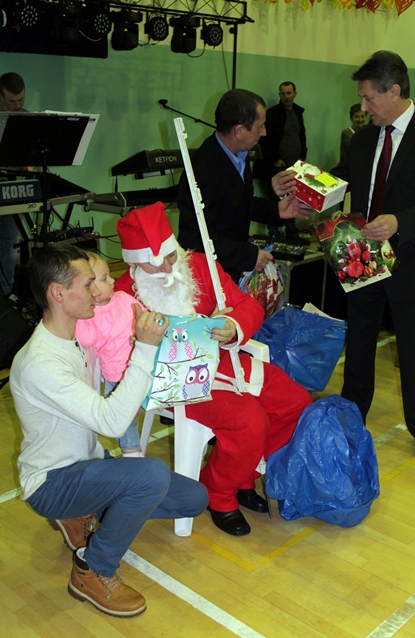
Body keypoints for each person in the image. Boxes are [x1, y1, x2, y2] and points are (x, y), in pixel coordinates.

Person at [9, 243, 208, 617]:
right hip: (51, 482)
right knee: (150, 476)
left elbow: (118, 393)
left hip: (88, 465)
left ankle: (79, 511)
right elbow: (113, 421)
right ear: (58, 294)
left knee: (194, 499)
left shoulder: (79, 337)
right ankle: (92, 570)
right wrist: (144, 349)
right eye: (88, 285)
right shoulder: (41, 363)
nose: (99, 291)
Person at [115, 202, 313, 537]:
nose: (167, 268)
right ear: (133, 263)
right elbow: (121, 363)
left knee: (296, 402)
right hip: (175, 381)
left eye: (171, 256)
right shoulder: (123, 296)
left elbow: (247, 304)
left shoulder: (200, 265)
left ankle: (243, 474)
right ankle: (218, 493)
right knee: (250, 421)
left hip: (226, 362)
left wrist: (234, 325)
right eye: (155, 263)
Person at [273, 51, 415, 439]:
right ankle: (352, 418)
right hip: (362, 255)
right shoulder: (364, 139)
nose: (363, 107)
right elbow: (337, 182)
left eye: (369, 98)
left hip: (409, 258)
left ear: (394, 91)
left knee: (410, 346)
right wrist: (300, 193)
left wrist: (400, 221)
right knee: (360, 338)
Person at [177, 88, 313, 284]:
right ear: (239, 131)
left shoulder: (239, 154)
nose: (264, 132)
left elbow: (238, 203)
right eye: (260, 126)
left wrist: (276, 210)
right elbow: (195, 239)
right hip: (210, 278)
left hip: (231, 271)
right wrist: (248, 255)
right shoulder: (203, 169)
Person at [75, 251, 144, 457]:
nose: (113, 280)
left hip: (144, 366)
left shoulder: (124, 298)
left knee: (123, 412)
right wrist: (79, 314)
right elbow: (86, 339)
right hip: (117, 375)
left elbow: (143, 315)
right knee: (122, 417)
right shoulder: (89, 314)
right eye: (105, 278)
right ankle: (132, 453)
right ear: (89, 289)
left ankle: (132, 410)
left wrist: (141, 332)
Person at [253, 81, 310, 245]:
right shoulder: (272, 114)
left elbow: (301, 136)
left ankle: (292, 232)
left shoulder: (297, 112)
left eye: (289, 93)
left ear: (295, 94)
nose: (286, 96)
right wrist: (275, 159)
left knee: (294, 197)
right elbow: (265, 139)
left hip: (294, 165)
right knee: (275, 200)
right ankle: (275, 234)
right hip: (277, 166)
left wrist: (302, 156)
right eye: (283, 93)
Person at [0, 72, 27, 305]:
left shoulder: (26, 117)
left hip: (15, 186)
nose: (17, 105)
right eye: (12, 101)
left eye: (21, 99)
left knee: (10, 243)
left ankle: (7, 291)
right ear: (0, 96)